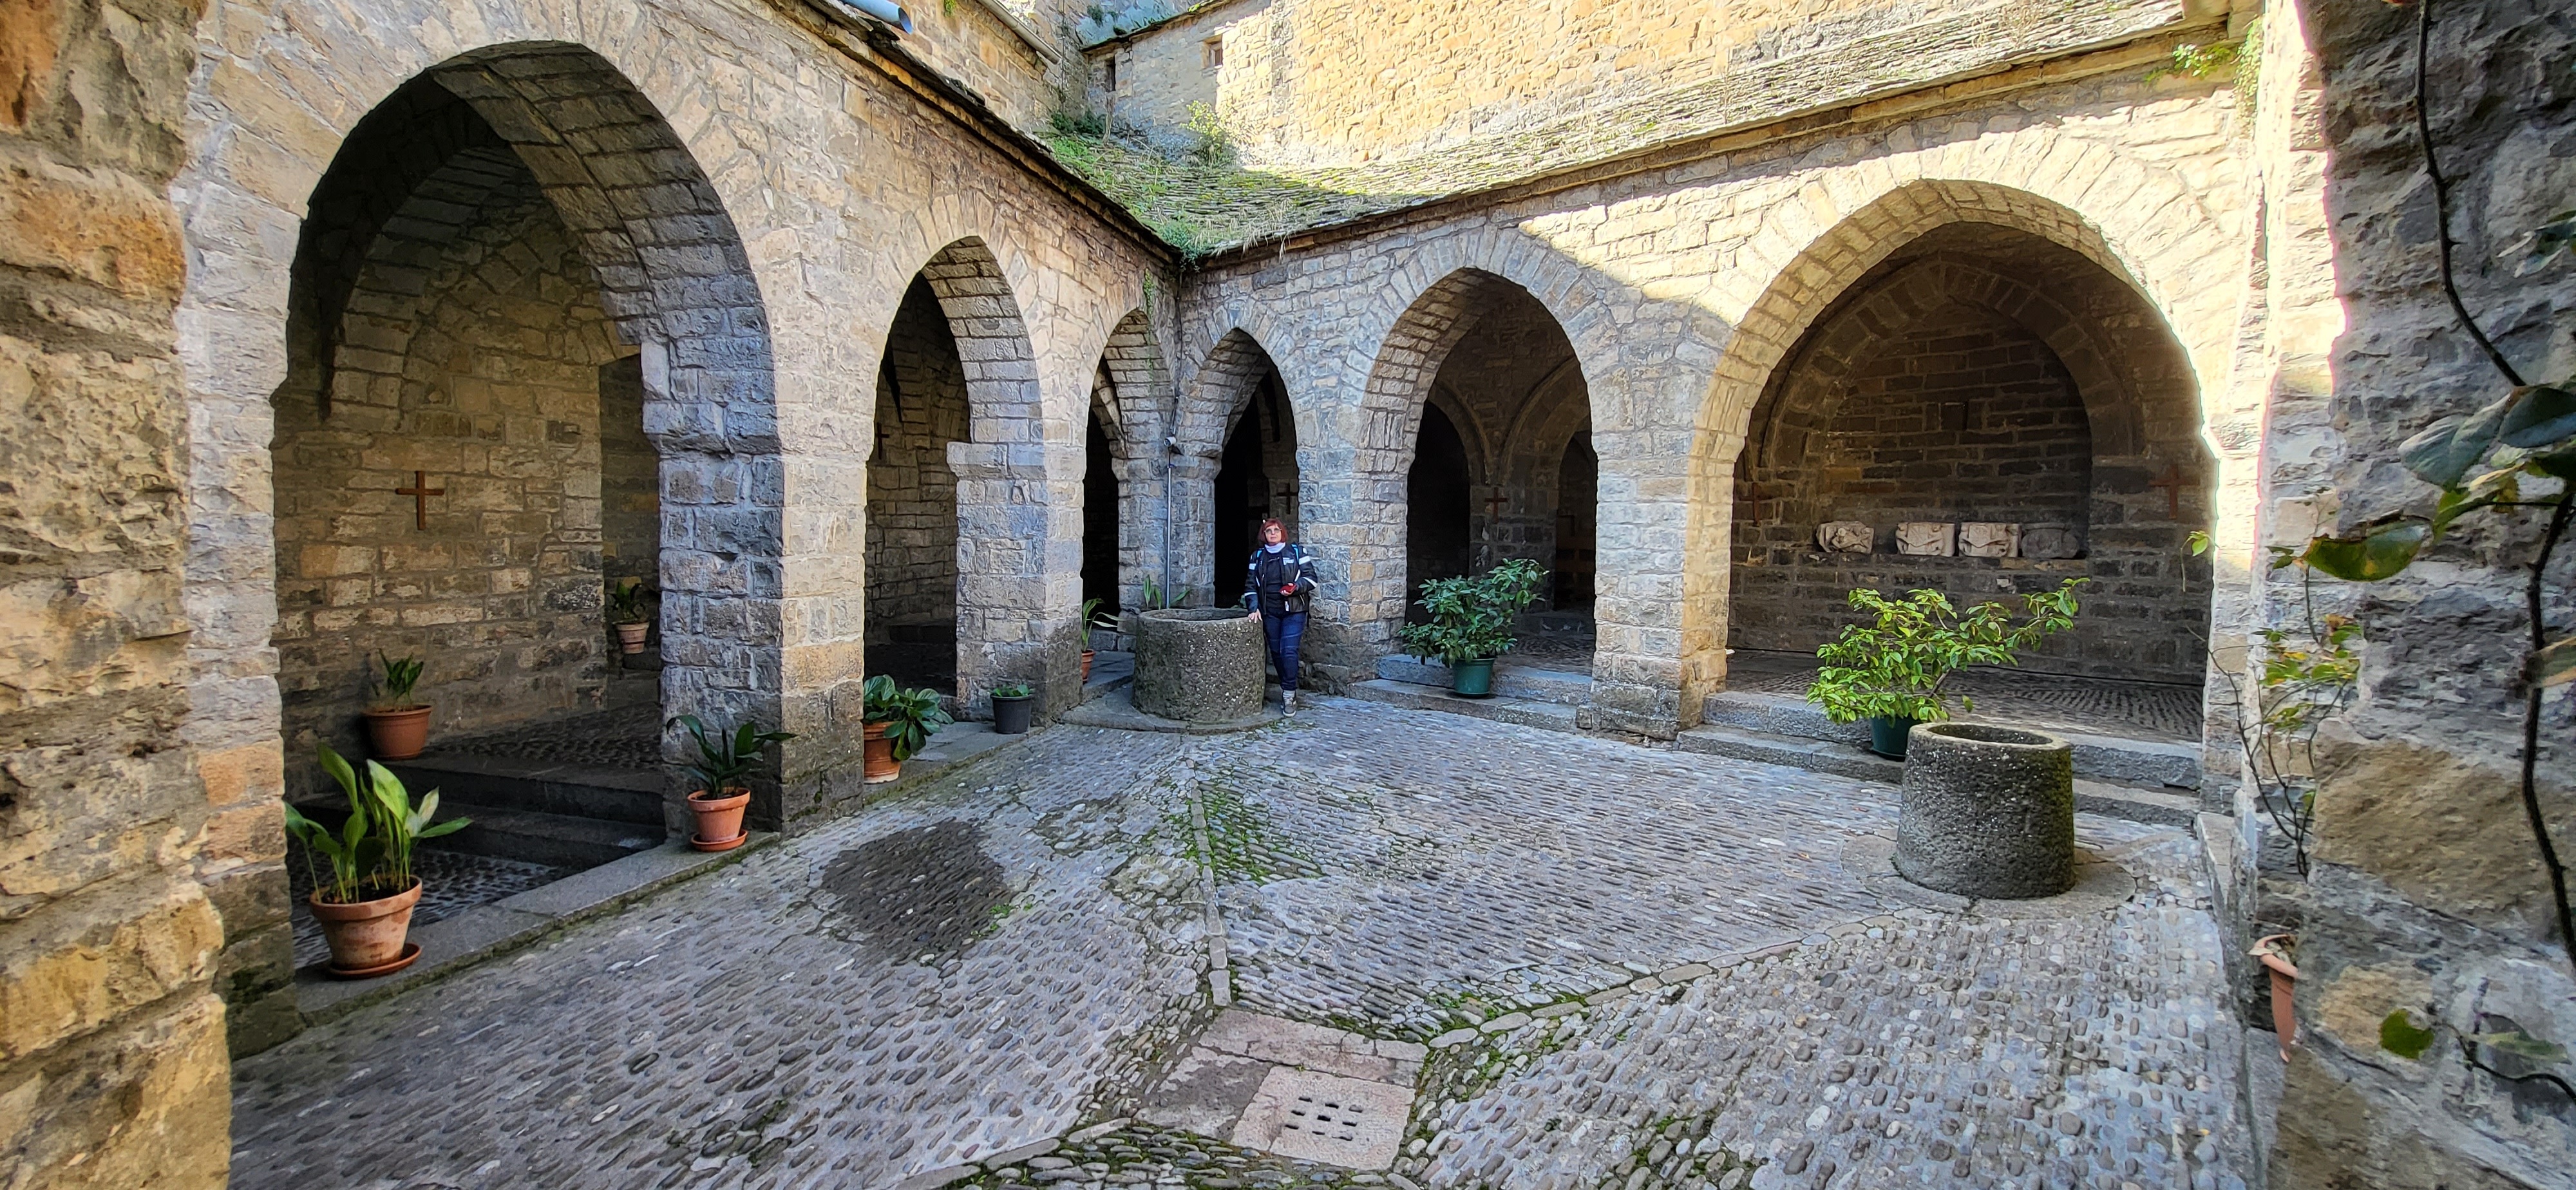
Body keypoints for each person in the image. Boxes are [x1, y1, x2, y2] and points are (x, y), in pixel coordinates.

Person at [1242, 518, 1320, 713]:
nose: (1273, 533)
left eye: (1276, 530)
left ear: (1282, 533)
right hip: (1270, 612)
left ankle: (1289, 694)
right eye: (1269, 531)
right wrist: (1253, 608)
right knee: (1276, 652)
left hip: (1294, 611)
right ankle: (1288, 685)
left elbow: (1311, 579)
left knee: (1289, 651)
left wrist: (1296, 587)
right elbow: (1250, 586)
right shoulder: (1257, 557)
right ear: (1264, 535)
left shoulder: (1296, 552)